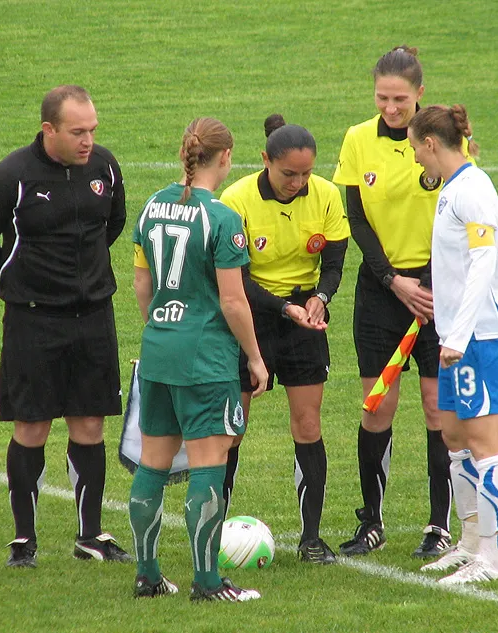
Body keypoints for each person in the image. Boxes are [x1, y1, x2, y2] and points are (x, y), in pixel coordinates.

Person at [0, 85, 130, 567]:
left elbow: (112, 225)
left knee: (90, 423)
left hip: (94, 316)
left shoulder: (105, 166)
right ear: (49, 130)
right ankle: (24, 540)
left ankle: (90, 535)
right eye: (77, 131)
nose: (88, 140)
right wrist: (21, 279)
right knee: (31, 425)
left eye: (92, 129)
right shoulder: (12, 175)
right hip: (32, 320)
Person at [332, 46, 468, 558]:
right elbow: (356, 220)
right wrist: (392, 280)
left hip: (437, 294)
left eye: (401, 99)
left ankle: (439, 525)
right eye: (383, 98)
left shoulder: (446, 143)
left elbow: (461, 212)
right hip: (381, 293)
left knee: (437, 408)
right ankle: (372, 522)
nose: (391, 108)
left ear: (420, 95)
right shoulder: (356, 140)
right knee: (377, 407)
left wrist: (428, 284)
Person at [129, 117, 268, 602]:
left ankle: (147, 575)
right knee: (210, 462)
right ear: (225, 157)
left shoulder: (151, 206)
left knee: (153, 463)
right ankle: (208, 583)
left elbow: (142, 285)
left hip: (159, 349)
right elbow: (233, 302)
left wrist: (163, 326)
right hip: (204, 357)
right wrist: (254, 356)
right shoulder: (224, 218)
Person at [220, 115, 350, 564]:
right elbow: (235, 278)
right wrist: (285, 308)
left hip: (302, 321)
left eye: (306, 174)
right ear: (265, 162)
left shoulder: (328, 196)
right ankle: (212, 534)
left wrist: (320, 297)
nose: (298, 182)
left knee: (308, 426)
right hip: (249, 316)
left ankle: (311, 538)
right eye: (288, 173)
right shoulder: (235, 200)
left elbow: (333, 263)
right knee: (232, 430)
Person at [407, 104, 498, 583]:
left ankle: (491, 561)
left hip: (480, 337)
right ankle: (470, 544)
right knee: (453, 436)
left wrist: (459, 333)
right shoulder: (453, 191)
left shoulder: (474, 190)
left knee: (483, 442)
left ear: (431, 143)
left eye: (415, 149)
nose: (416, 160)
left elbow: (484, 263)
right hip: (455, 335)